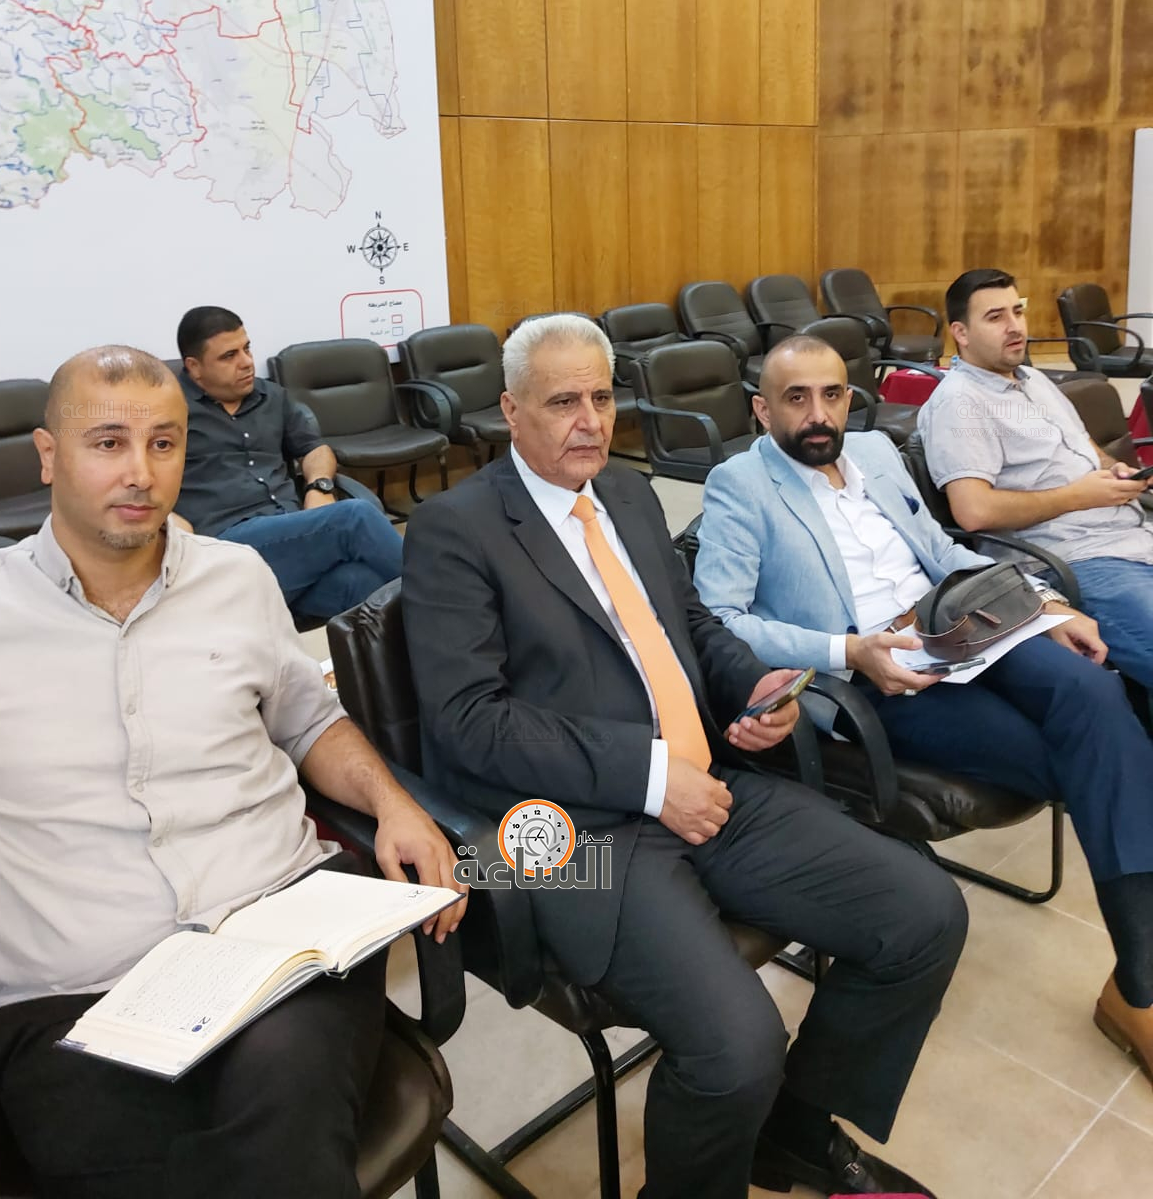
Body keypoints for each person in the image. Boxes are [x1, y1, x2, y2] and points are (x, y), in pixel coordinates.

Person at [402, 314, 967, 1199]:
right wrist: (651, 777)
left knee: (925, 913)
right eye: (562, 402)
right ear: (510, 410)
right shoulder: (454, 529)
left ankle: (793, 1134)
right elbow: (468, 722)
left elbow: (691, 623)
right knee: (736, 1048)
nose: (590, 421)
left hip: (708, 786)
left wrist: (751, 685)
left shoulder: (627, 495)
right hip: (567, 837)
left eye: (602, 398)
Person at [0, 345, 464, 1198]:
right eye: (108, 443)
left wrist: (394, 802)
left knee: (282, 1114)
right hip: (76, 995)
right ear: (48, 455)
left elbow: (309, 719)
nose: (140, 472)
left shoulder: (237, 578)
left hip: (283, 933)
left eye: (164, 443)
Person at [694, 334, 1153, 1088]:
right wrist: (848, 648)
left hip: (966, 625)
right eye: (796, 398)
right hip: (882, 673)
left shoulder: (876, 452)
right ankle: (1140, 990)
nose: (818, 414)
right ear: (762, 411)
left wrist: (1046, 604)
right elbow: (721, 618)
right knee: (1079, 756)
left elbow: (944, 552)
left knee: (1099, 694)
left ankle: (1139, 984)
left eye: (832, 394)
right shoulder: (740, 484)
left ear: (850, 398)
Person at [916, 268, 1153, 692]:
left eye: (1017, 311)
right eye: (995, 317)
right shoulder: (959, 403)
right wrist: (1079, 496)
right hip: (1080, 560)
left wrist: (1112, 469)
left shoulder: (1036, 380)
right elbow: (973, 511)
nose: (1015, 326)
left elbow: (1084, 447)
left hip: (1133, 535)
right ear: (961, 333)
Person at [173, 305, 403, 619]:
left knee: (365, 585)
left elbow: (314, 449)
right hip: (229, 547)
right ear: (194, 367)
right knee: (354, 517)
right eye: (229, 356)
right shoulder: (170, 412)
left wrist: (320, 486)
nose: (246, 362)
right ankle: (451, 603)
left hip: (292, 536)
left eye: (247, 348)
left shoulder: (272, 396)